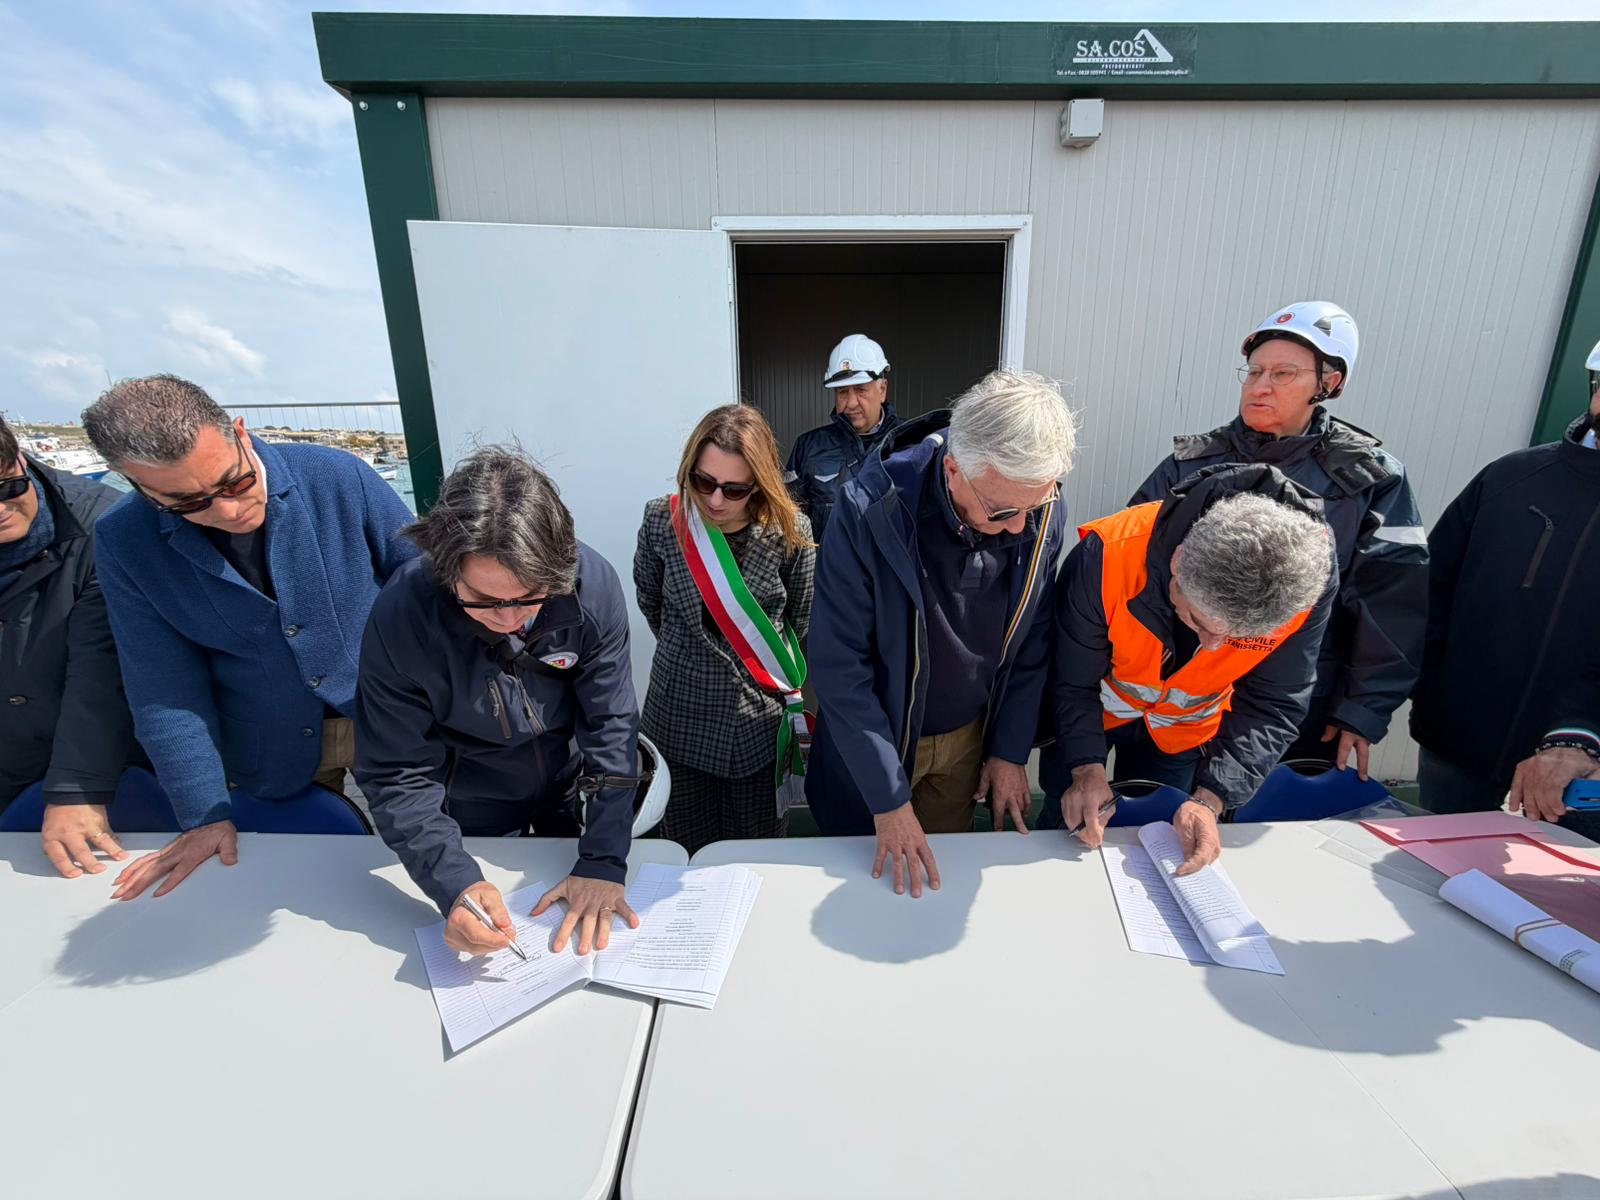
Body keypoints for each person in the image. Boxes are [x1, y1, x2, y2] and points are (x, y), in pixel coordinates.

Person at [82, 375, 416, 899]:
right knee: (304, 891)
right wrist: (204, 814)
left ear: (239, 431)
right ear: (132, 481)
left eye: (234, 483)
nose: (228, 512)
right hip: (267, 742)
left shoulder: (338, 476)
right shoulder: (123, 539)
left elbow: (425, 586)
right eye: (186, 504)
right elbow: (162, 686)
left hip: (397, 712)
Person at [355, 447, 645, 957]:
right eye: (484, 600)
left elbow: (612, 727)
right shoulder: (404, 614)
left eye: (529, 597)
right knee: (489, 912)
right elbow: (395, 771)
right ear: (447, 573)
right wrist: (454, 883)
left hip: (567, 783)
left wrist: (602, 860)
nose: (510, 620)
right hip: (468, 797)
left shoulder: (590, 588)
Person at [805, 369, 1076, 897]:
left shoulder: (1034, 505)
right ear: (952, 469)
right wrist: (887, 799)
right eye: (1001, 512)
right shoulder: (869, 510)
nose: (1021, 528)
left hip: (967, 741)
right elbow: (840, 667)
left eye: (1035, 508)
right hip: (878, 745)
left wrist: (1009, 749)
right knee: (869, 888)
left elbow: (1032, 638)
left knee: (938, 882)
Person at [1131, 302, 1426, 780]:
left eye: (1283, 373)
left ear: (1329, 383)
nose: (1260, 385)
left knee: (1261, 828)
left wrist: (1363, 709)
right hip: (1183, 689)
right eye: (1254, 371)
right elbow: (1130, 568)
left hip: (1298, 701)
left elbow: (1392, 603)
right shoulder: (1190, 465)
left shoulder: (1369, 478)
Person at [1043, 465, 1337, 874]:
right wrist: (1085, 767)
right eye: (1199, 622)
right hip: (1087, 716)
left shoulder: (1306, 579)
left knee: (1161, 841)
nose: (1214, 645)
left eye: (1238, 637)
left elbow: (1275, 702)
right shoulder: (1109, 553)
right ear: (1178, 563)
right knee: (1066, 827)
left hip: (1183, 737)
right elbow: (1070, 680)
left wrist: (1210, 798)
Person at [1411, 336, 1600, 841]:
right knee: (1429, 886)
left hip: (1581, 772)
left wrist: (1584, 738)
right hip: (1457, 747)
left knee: (1556, 909)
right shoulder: (1512, 478)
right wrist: (1431, 691)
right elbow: (1429, 592)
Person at [634, 405, 815, 856]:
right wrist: (691, 655)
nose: (715, 500)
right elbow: (651, 602)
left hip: (755, 727)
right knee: (681, 855)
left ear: (760, 484)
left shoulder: (791, 532)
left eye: (734, 489)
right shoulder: (662, 520)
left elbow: (799, 621)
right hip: (677, 718)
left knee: (757, 860)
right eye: (703, 482)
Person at [0, 415, 139, 877]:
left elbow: (101, 669)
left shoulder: (109, 527)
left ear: (19, 458)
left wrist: (77, 789)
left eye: (7, 489)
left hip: (101, 767)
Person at [784, 333, 902, 545]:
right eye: (842, 392)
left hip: (889, 577)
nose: (851, 403)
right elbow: (787, 521)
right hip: (828, 576)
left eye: (860, 390)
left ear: (882, 390)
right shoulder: (808, 447)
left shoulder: (911, 442)